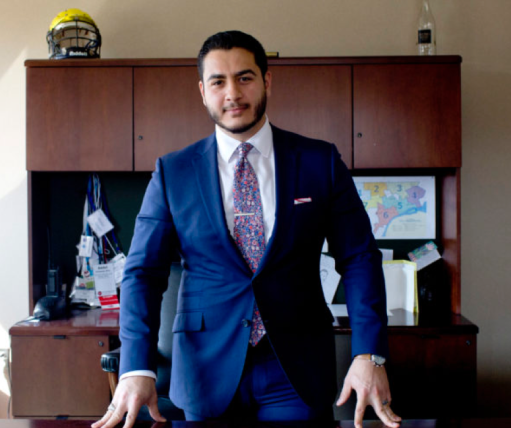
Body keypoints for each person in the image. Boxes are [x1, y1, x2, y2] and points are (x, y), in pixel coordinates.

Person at [93, 30, 399, 428]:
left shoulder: (318, 161)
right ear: (203, 91)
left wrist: (368, 354)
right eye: (218, 81)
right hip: (205, 366)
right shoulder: (174, 172)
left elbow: (359, 257)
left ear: (266, 81)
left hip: (295, 366)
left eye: (245, 77)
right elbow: (142, 273)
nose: (232, 93)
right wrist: (136, 367)